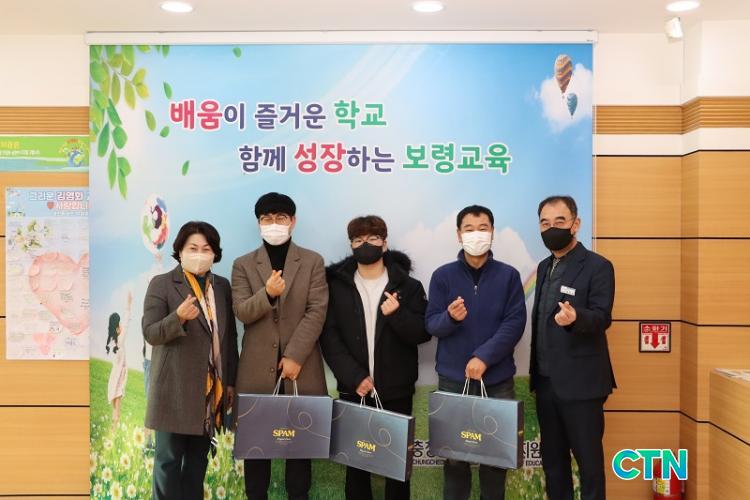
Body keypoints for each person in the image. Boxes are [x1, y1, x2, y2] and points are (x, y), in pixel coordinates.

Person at [321, 215, 429, 500]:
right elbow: (329, 337)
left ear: (384, 243)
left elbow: (422, 332)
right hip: (354, 389)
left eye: (372, 238)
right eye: (358, 240)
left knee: (397, 466)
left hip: (396, 390)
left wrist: (397, 315)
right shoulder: (336, 287)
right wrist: (354, 377)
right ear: (351, 245)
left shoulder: (409, 286)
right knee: (356, 465)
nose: (365, 244)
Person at [425, 205, 526, 500]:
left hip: (497, 380)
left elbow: (515, 322)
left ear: (492, 232)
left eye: (483, 228)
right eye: (469, 229)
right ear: (459, 235)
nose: (476, 234)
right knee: (455, 460)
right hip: (453, 381)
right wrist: (450, 318)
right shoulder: (442, 276)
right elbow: (431, 324)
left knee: (495, 460)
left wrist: (484, 357)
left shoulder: (508, 276)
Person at [232, 192, 328, 500]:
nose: (273, 224)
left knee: (299, 450)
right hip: (256, 370)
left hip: (301, 368)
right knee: (256, 451)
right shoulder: (243, 264)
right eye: (267, 219)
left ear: (293, 221)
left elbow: (317, 311)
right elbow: (242, 311)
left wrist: (295, 356)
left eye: (280, 218)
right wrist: (268, 294)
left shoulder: (312, 261)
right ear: (259, 223)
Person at [143, 221, 238, 500]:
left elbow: (230, 338)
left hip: (208, 394)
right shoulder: (162, 284)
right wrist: (178, 318)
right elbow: (151, 333)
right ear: (180, 251)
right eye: (193, 248)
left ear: (215, 253)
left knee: (197, 466)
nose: (199, 254)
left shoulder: (221, 286)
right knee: (168, 464)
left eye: (206, 249)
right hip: (173, 391)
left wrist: (230, 382)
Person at [530, 195, 616, 500]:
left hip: (581, 385)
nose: (551, 228)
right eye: (545, 223)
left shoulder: (598, 266)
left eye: (559, 221)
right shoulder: (544, 267)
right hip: (546, 383)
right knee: (553, 465)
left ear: (575, 224)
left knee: (589, 466)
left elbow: (602, 317)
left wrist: (576, 318)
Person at [106, 291, 132, 430]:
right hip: (119, 377)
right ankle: (114, 431)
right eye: (119, 325)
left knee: (115, 408)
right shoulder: (119, 341)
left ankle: (113, 429)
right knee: (117, 410)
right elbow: (126, 323)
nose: (122, 326)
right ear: (117, 328)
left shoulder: (112, 342)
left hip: (114, 376)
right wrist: (128, 305)